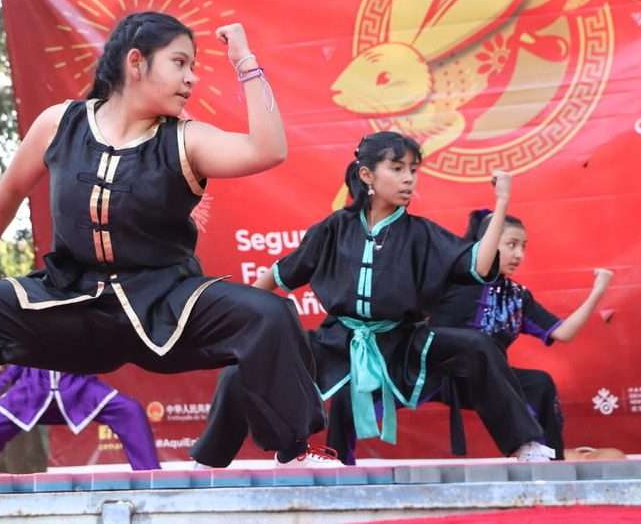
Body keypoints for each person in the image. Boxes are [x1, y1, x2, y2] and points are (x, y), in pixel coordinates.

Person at [0, 11, 324, 471]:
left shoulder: (185, 141)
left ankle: (295, 453)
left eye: (193, 67)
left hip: (167, 306)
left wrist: (245, 61)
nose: (191, 78)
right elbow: (8, 192)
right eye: (180, 63)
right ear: (136, 62)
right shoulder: (60, 124)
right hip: (68, 305)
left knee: (269, 315)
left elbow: (268, 150)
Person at [190, 132, 552, 468]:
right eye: (397, 169)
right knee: (241, 371)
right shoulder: (335, 228)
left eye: (413, 170)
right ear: (367, 175)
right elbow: (280, 273)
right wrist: (243, 318)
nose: (409, 179)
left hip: (403, 344)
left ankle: (524, 444)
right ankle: (209, 462)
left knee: (477, 348)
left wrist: (501, 202)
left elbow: (479, 265)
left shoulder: (422, 234)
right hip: (336, 342)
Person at [427, 210, 615, 459]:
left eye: (523, 247)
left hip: (490, 381)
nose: (519, 254)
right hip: (437, 375)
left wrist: (597, 292)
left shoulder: (517, 296)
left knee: (539, 384)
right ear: (489, 242)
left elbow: (564, 333)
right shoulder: (455, 278)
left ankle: (548, 459)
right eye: (512, 244)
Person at [0, 366, 160, 471]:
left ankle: (150, 477)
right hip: (32, 388)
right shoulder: (24, 312)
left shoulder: (84, 311)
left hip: (78, 385)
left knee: (130, 411)